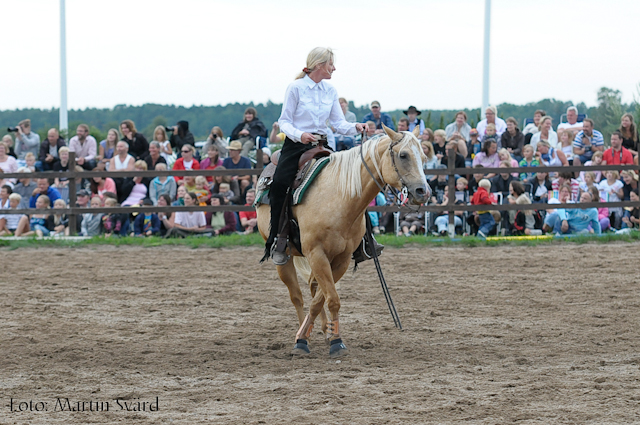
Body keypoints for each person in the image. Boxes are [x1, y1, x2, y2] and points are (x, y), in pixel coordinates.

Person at [266, 47, 365, 264]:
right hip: (296, 144)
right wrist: (299, 135)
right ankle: (277, 239)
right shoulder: (296, 88)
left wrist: (355, 127)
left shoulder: (330, 90)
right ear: (320, 64)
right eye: (331, 63)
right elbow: (284, 121)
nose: (334, 68)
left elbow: (338, 123)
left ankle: (363, 242)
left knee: (353, 184)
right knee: (280, 184)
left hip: (322, 144)